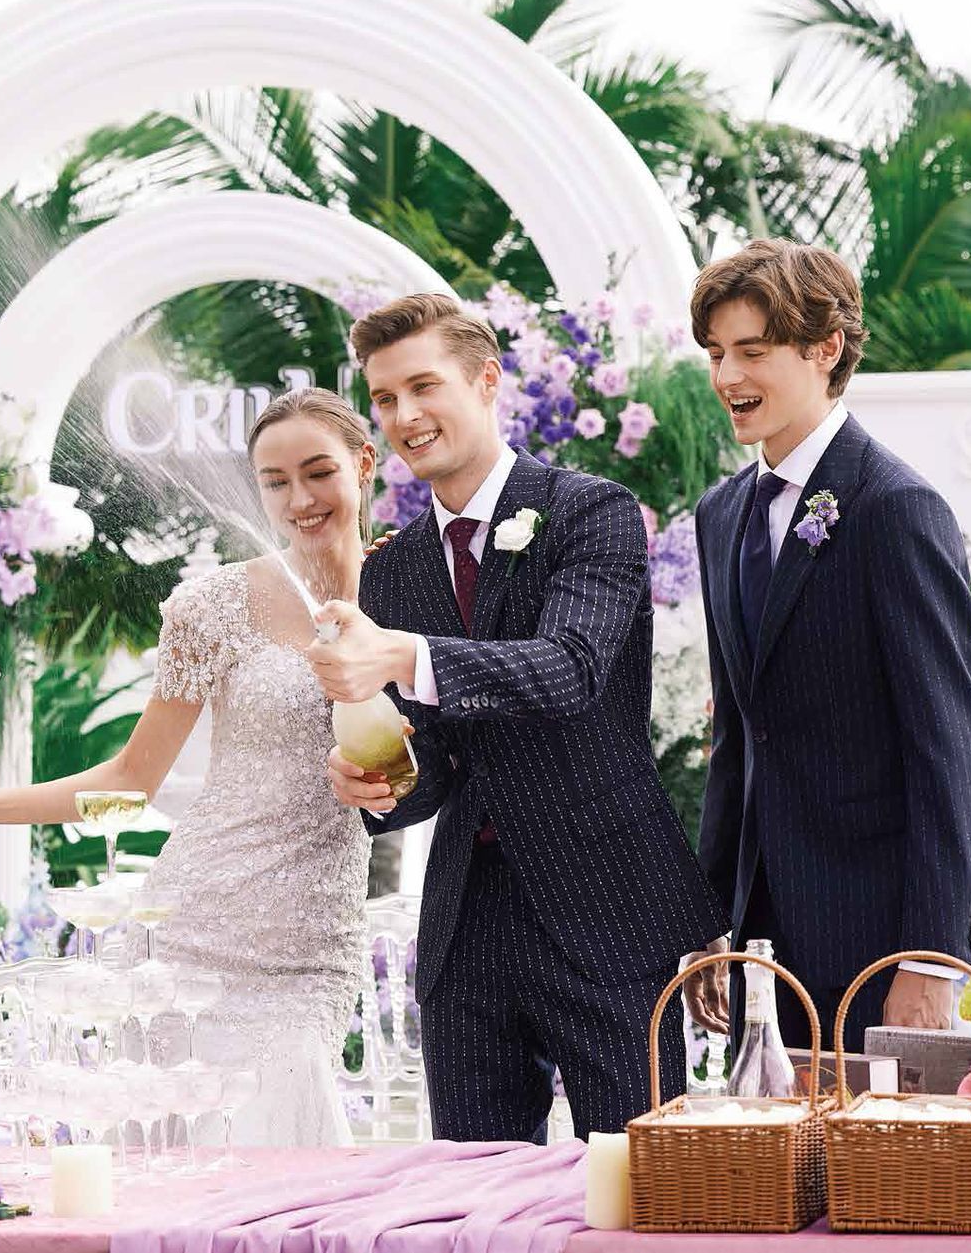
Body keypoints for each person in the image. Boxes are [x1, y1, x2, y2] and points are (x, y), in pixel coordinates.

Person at [310, 292, 726, 1140]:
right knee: (473, 1191)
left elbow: (571, 668)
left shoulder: (593, 511)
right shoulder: (391, 570)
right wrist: (378, 781)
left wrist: (402, 654)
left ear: (487, 380)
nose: (404, 415)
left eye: (423, 386)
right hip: (467, 924)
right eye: (384, 398)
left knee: (638, 1183)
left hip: (607, 908)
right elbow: (436, 767)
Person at [0, 388, 373, 1148]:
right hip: (191, 928)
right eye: (275, 482)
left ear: (364, 464)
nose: (299, 500)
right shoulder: (214, 605)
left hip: (311, 948)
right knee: (170, 1161)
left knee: (291, 1132)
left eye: (318, 473)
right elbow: (131, 779)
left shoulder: (419, 590)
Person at [689, 239, 971, 1052]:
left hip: (878, 942)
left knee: (873, 1144)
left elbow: (949, 749)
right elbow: (736, 739)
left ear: (825, 348)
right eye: (716, 353)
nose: (727, 376)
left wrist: (930, 957)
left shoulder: (896, 507)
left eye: (753, 350)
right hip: (760, 947)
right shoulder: (721, 515)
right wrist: (707, 920)